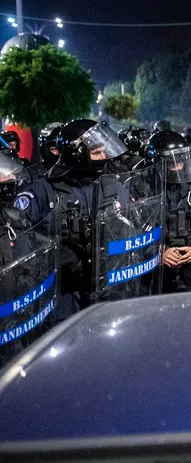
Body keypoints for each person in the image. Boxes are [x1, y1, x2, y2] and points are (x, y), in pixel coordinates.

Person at [12, 119, 130, 316]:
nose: (104, 157)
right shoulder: (42, 191)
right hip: (61, 296)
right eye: (97, 152)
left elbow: (134, 225)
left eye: (104, 151)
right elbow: (19, 243)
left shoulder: (111, 187)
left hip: (108, 290)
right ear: (77, 154)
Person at [144, 131, 191, 292]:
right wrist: (157, 252)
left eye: (180, 162)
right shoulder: (141, 189)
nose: (177, 168)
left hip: (190, 262)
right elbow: (130, 232)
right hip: (152, 269)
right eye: (171, 163)